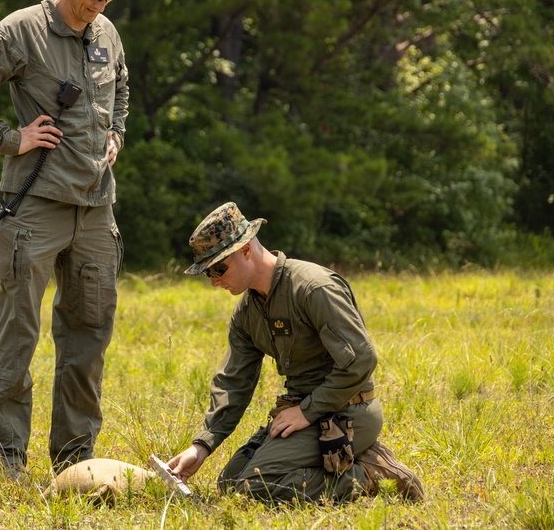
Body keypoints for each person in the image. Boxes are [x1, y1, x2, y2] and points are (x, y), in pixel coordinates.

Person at [0, 0, 133, 479]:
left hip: (96, 208)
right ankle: (8, 462)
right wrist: (9, 138)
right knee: (17, 332)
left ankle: (76, 461)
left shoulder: (108, 32)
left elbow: (120, 85)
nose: (101, 2)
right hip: (36, 207)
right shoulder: (21, 29)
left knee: (89, 333)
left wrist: (117, 132)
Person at [167, 202, 424, 503]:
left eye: (218, 268)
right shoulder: (247, 312)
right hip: (304, 414)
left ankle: (373, 474)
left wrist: (306, 411)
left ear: (246, 249)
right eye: (207, 273)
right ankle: (347, 459)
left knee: (253, 487)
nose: (214, 281)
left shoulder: (313, 288)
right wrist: (203, 445)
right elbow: (234, 383)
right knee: (230, 483)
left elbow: (361, 359)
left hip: (348, 410)